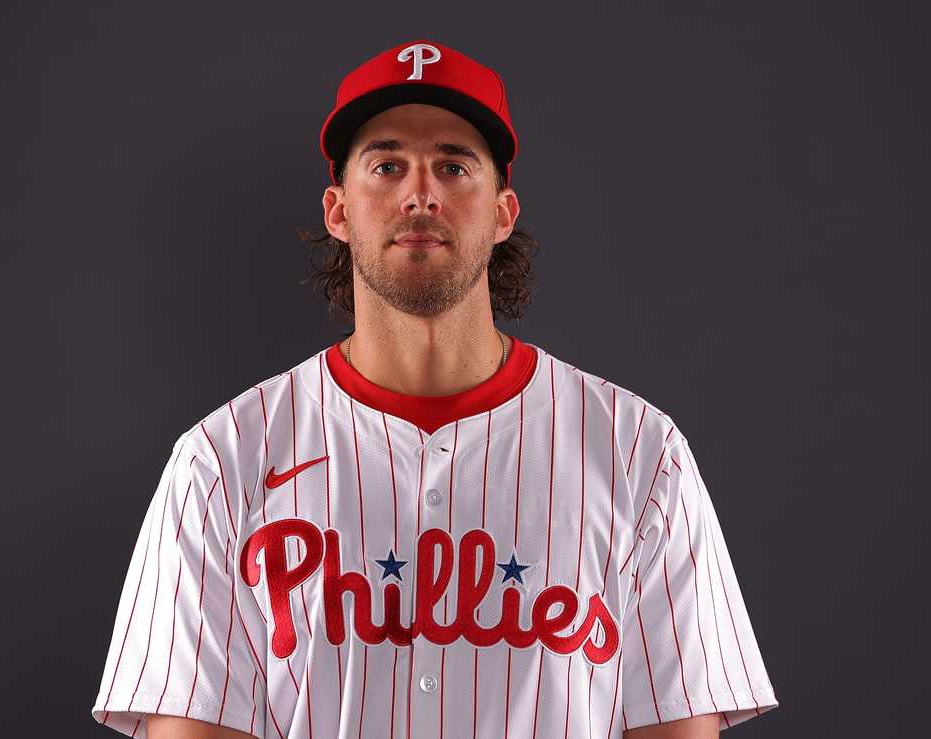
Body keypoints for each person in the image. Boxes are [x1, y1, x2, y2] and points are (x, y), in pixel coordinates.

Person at [91, 39, 778, 739]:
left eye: (453, 165)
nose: (420, 193)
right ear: (337, 209)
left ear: (504, 212)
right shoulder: (221, 460)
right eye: (387, 164)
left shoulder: (639, 452)